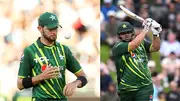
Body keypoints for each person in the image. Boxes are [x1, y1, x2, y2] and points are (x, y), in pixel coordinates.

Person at [17, 12, 87, 101]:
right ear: (40, 29)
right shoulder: (30, 51)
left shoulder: (64, 49)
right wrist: (41, 77)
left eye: (55, 29)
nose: (54, 32)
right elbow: (19, 84)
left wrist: (75, 83)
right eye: (50, 29)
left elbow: (83, 76)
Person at [112, 18, 162, 101]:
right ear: (119, 36)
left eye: (128, 32)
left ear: (133, 32)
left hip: (145, 87)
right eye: (123, 33)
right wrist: (146, 29)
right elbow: (134, 45)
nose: (126, 35)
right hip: (127, 89)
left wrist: (156, 33)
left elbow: (155, 47)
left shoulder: (141, 42)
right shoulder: (118, 47)